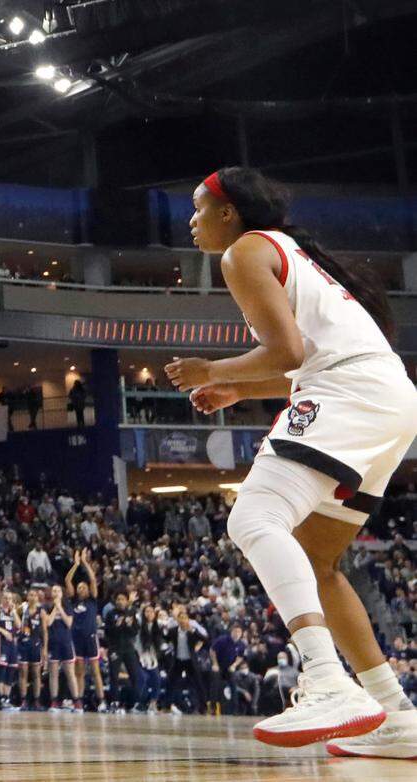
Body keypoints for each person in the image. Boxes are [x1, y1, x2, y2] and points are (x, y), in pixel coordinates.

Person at [169, 166, 417, 752]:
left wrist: (214, 370)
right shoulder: (290, 252)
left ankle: (328, 680)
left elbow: (288, 350)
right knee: (318, 562)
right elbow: (310, 358)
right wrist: (238, 388)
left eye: (198, 210)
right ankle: (397, 717)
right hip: (389, 399)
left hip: (348, 395)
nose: (191, 221)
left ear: (228, 213)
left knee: (252, 518)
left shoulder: (245, 252)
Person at [66, 549, 106, 711]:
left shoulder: (92, 600)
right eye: (79, 587)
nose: (81, 588)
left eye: (84, 587)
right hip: (77, 638)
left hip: (90, 637)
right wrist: (75, 565)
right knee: (79, 672)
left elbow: (92, 579)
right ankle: (79, 701)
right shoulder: (73, 601)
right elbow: (67, 579)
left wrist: (86, 563)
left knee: (96, 671)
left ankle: (102, 700)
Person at [43, 584, 81, 712]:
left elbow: (69, 623)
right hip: (53, 643)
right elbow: (48, 622)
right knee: (53, 673)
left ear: (62, 593)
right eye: (54, 590)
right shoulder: (47, 606)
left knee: (70, 673)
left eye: (58, 590)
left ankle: (76, 701)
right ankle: (54, 701)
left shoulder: (68, 605)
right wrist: (55, 608)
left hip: (65, 642)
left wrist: (60, 607)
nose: (56, 592)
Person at [17, 588, 45, 711]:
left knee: (36, 673)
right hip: (23, 643)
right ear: (27, 597)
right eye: (30, 595)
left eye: (35, 595)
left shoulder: (41, 611)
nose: (32, 597)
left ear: (37, 598)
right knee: (23, 672)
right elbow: (13, 617)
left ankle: (37, 700)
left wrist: (45, 648)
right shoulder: (22, 609)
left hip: (35, 644)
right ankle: (23, 700)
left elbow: (44, 631)